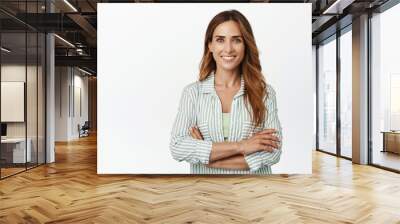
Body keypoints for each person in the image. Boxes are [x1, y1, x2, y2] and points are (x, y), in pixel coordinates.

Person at [170, 9, 282, 174]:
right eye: (220, 40)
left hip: (254, 192)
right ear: (210, 45)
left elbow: (273, 152)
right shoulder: (193, 93)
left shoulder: (265, 93)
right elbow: (178, 146)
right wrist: (243, 146)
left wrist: (208, 159)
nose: (228, 49)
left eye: (236, 40)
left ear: (246, 45)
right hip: (206, 193)